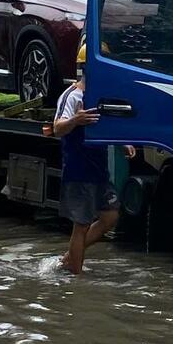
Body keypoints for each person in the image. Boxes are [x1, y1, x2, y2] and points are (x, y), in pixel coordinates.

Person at [51, 43, 120, 273]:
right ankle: (76, 278)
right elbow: (57, 128)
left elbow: (110, 126)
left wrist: (125, 142)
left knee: (110, 217)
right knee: (80, 225)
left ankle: (68, 258)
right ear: (86, 67)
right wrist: (75, 121)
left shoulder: (100, 96)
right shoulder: (72, 96)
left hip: (99, 169)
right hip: (78, 170)